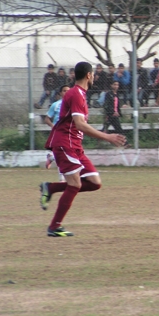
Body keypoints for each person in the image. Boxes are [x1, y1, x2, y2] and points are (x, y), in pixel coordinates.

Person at [39, 62, 127, 237]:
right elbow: (80, 124)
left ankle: (50, 188)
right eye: (93, 74)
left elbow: (79, 125)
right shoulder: (76, 94)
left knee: (95, 183)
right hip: (65, 144)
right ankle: (54, 226)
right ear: (88, 75)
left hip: (75, 146)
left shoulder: (79, 94)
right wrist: (107, 136)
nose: (94, 76)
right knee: (75, 185)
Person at [44, 84, 70, 182]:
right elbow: (47, 119)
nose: (66, 92)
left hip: (69, 133)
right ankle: (62, 180)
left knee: (65, 155)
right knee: (62, 155)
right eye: (64, 91)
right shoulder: (56, 105)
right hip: (59, 133)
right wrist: (53, 127)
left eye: (68, 90)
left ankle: (51, 157)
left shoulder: (73, 104)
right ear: (60, 93)